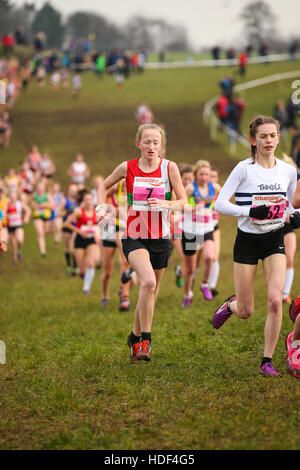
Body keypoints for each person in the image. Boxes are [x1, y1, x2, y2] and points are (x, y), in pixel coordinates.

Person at [213, 115, 298, 377]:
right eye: (263, 136)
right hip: (247, 242)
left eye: (273, 135)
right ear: (253, 140)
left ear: (278, 137)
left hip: (275, 239)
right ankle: (230, 306)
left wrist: (293, 214)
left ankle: (267, 360)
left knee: (275, 301)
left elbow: (288, 207)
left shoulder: (288, 171)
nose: (269, 140)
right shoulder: (244, 169)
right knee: (247, 311)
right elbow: (219, 204)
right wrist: (251, 210)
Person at [97, 123, 187, 362]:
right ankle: (145, 340)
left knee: (150, 291)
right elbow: (103, 186)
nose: (151, 146)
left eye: (155, 142)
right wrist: (101, 207)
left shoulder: (170, 168)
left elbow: (185, 202)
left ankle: (134, 336)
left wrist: (166, 204)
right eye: (146, 142)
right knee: (147, 282)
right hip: (133, 235)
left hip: (160, 238)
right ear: (138, 143)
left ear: (161, 145)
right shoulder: (128, 167)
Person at [183, 160, 217, 305]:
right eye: (201, 174)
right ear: (196, 174)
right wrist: (194, 208)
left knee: (210, 256)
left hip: (207, 228)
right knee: (191, 268)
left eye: (207, 174)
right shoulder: (191, 188)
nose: (204, 177)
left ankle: (204, 284)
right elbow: (180, 204)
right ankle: (187, 294)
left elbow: (226, 197)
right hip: (190, 230)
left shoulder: (214, 187)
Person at [64, 191, 99, 294]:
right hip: (79, 240)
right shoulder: (79, 212)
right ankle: (82, 273)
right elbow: (67, 223)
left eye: (90, 200)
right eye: (86, 200)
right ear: (83, 202)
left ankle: (86, 289)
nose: (88, 202)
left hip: (91, 240)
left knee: (91, 264)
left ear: (93, 201)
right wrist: (79, 231)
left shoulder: (95, 212)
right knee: (82, 270)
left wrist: (97, 233)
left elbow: (98, 224)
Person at [6, 188, 31, 264]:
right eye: (11, 196)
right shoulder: (7, 204)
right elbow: (3, 213)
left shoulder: (19, 203)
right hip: (10, 226)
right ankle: (14, 259)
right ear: (9, 196)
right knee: (13, 244)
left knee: (20, 240)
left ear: (16, 196)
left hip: (18, 225)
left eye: (14, 196)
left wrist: (26, 217)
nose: (13, 197)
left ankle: (19, 250)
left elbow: (28, 210)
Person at [32, 181, 54, 256]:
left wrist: (45, 204)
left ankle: (39, 240)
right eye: (39, 188)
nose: (40, 189)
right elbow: (32, 205)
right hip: (37, 216)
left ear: (44, 188)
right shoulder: (35, 195)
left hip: (46, 216)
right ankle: (43, 250)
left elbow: (53, 205)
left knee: (45, 232)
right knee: (40, 232)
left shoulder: (47, 195)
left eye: (41, 187)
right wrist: (36, 205)